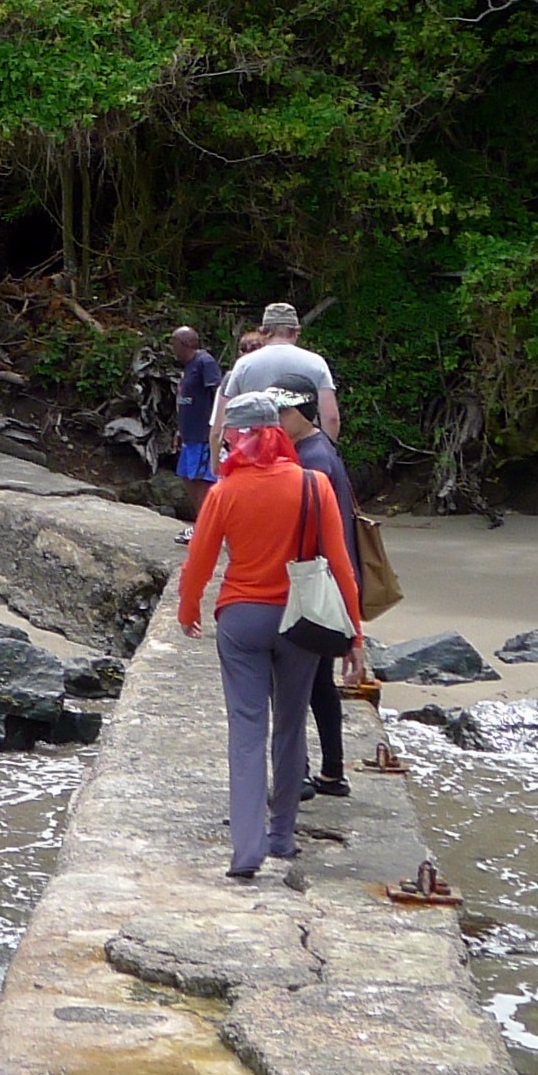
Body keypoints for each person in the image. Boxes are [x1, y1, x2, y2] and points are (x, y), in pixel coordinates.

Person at [178, 389, 362, 881]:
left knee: (246, 730)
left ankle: (247, 850)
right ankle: (282, 836)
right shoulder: (311, 484)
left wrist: (188, 607)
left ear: (235, 438)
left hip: (241, 617)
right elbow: (341, 566)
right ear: (278, 433)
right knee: (290, 726)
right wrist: (355, 635)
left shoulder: (224, 492)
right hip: (301, 620)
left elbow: (199, 561)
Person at [279, 392, 358, 800]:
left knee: (296, 682)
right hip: (329, 578)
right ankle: (332, 771)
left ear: (301, 414)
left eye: (282, 412)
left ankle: (304, 774)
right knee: (319, 683)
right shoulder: (319, 448)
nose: (276, 420)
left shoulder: (312, 459)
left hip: (315, 580)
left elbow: (308, 528)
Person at [215, 302, 341, 456]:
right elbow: (331, 418)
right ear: (296, 332)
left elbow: (223, 420)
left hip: (256, 454)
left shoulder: (243, 365)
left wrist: (218, 465)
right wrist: (328, 452)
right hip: (303, 453)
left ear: (263, 331)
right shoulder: (316, 363)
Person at [168, 327, 222, 498]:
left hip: (203, 434)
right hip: (188, 433)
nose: (172, 348)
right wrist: (180, 429)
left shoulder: (205, 362)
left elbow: (217, 393)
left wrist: (216, 426)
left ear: (185, 344)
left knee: (202, 481)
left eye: (174, 343)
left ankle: (206, 522)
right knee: (186, 476)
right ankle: (199, 521)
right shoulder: (188, 366)